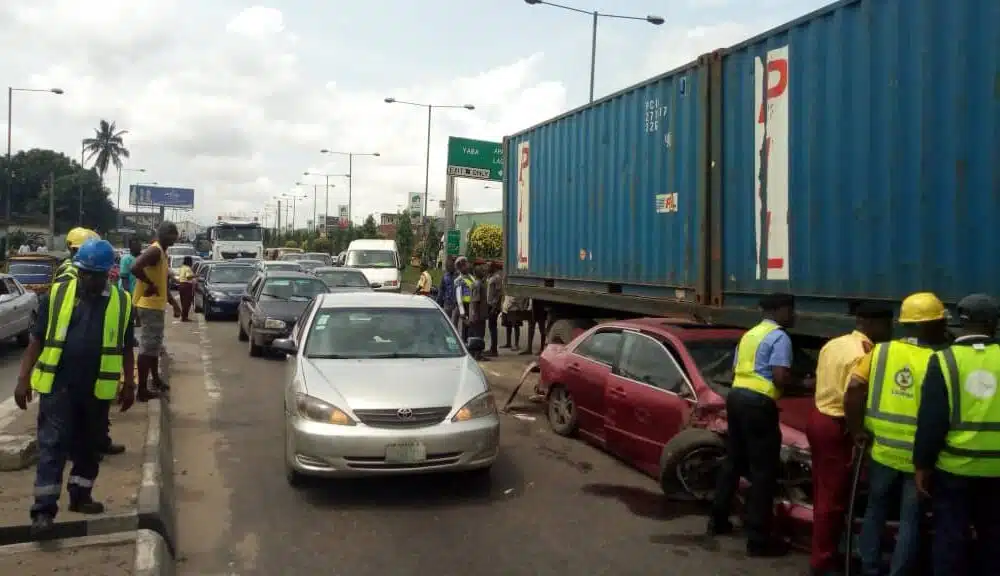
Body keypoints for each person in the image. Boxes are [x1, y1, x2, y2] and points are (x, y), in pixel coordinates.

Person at [13, 239, 137, 538]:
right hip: (59, 386)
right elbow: (37, 340)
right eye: (84, 273)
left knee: (89, 446)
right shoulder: (56, 296)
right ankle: (43, 511)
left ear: (106, 273)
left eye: (94, 275)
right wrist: (22, 379)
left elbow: (126, 347)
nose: (88, 280)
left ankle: (80, 497)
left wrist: (131, 383)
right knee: (53, 445)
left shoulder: (121, 302)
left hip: (97, 389)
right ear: (78, 269)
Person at [844, 291, 950, 576]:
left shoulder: (881, 351)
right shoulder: (941, 358)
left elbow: (854, 388)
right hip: (920, 457)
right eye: (940, 322)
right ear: (928, 324)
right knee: (910, 519)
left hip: (882, 450)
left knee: (876, 510)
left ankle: (869, 566)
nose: (944, 328)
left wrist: (856, 431)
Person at [913, 294, 1000, 576]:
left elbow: (932, 421)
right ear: (993, 323)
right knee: (994, 539)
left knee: (950, 536)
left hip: (955, 469)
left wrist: (922, 465)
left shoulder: (944, 361)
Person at [807, 302, 894, 576]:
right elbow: (854, 395)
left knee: (825, 492)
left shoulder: (834, 344)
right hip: (838, 425)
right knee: (833, 499)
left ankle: (826, 552)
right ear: (873, 324)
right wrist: (858, 433)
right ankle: (823, 562)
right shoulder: (864, 353)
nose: (889, 330)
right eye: (887, 324)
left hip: (819, 417)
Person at [708, 292, 796, 557]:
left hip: (736, 398)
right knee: (762, 471)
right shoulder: (780, 337)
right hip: (758, 404)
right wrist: (804, 384)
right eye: (791, 310)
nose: (794, 316)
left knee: (733, 460)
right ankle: (758, 539)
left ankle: (717, 520)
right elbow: (780, 377)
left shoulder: (750, 335)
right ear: (779, 310)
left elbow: (737, 372)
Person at [130, 222, 182, 400]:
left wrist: (174, 304)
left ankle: (155, 379)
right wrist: (149, 284)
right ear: (163, 234)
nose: (175, 238)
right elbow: (134, 267)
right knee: (147, 349)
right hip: (149, 306)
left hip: (155, 306)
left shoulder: (162, 252)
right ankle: (142, 390)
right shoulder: (155, 251)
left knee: (153, 347)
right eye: (172, 235)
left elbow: (162, 283)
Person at [453, 257, 474, 340]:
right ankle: (464, 342)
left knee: (470, 326)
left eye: (466, 264)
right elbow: (458, 297)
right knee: (465, 326)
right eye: (464, 265)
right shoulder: (459, 280)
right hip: (464, 305)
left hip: (471, 305)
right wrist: (462, 312)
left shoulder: (471, 277)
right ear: (460, 268)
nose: (467, 266)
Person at [485, 262, 503, 356]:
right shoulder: (490, 276)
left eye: (488, 266)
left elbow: (499, 294)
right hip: (489, 305)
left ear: (493, 267)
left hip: (493, 306)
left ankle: (494, 350)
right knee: (491, 327)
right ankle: (492, 348)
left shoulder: (497, 278)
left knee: (493, 327)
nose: (486, 268)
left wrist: (495, 307)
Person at [437, 258, 457, 325]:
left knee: (454, 323)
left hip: (457, 304)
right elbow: (441, 289)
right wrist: (438, 302)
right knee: (446, 321)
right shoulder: (445, 276)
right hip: (447, 302)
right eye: (447, 266)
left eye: (450, 266)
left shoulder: (459, 276)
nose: (448, 267)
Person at [176, 256, 195, 322]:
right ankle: (184, 317)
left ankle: (184, 316)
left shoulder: (182, 268)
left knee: (183, 301)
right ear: (189, 262)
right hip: (187, 286)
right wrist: (195, 275)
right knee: (187, 302)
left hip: (181, 285)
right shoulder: (188, 268)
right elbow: (188, 277)